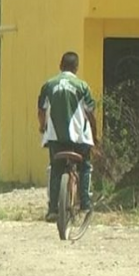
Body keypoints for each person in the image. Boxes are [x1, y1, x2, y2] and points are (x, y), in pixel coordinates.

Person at [38, 51, 97, 223]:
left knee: (56, 169)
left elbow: (41, 110)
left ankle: (53, 210)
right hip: (79, 138)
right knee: (85, 167)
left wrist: (42, 127)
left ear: (60, 65)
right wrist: (94, 133)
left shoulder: (48, 85)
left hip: (56, 138)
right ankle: (85, 203)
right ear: (76, 68)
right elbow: (90, 112)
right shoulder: (82, 86)